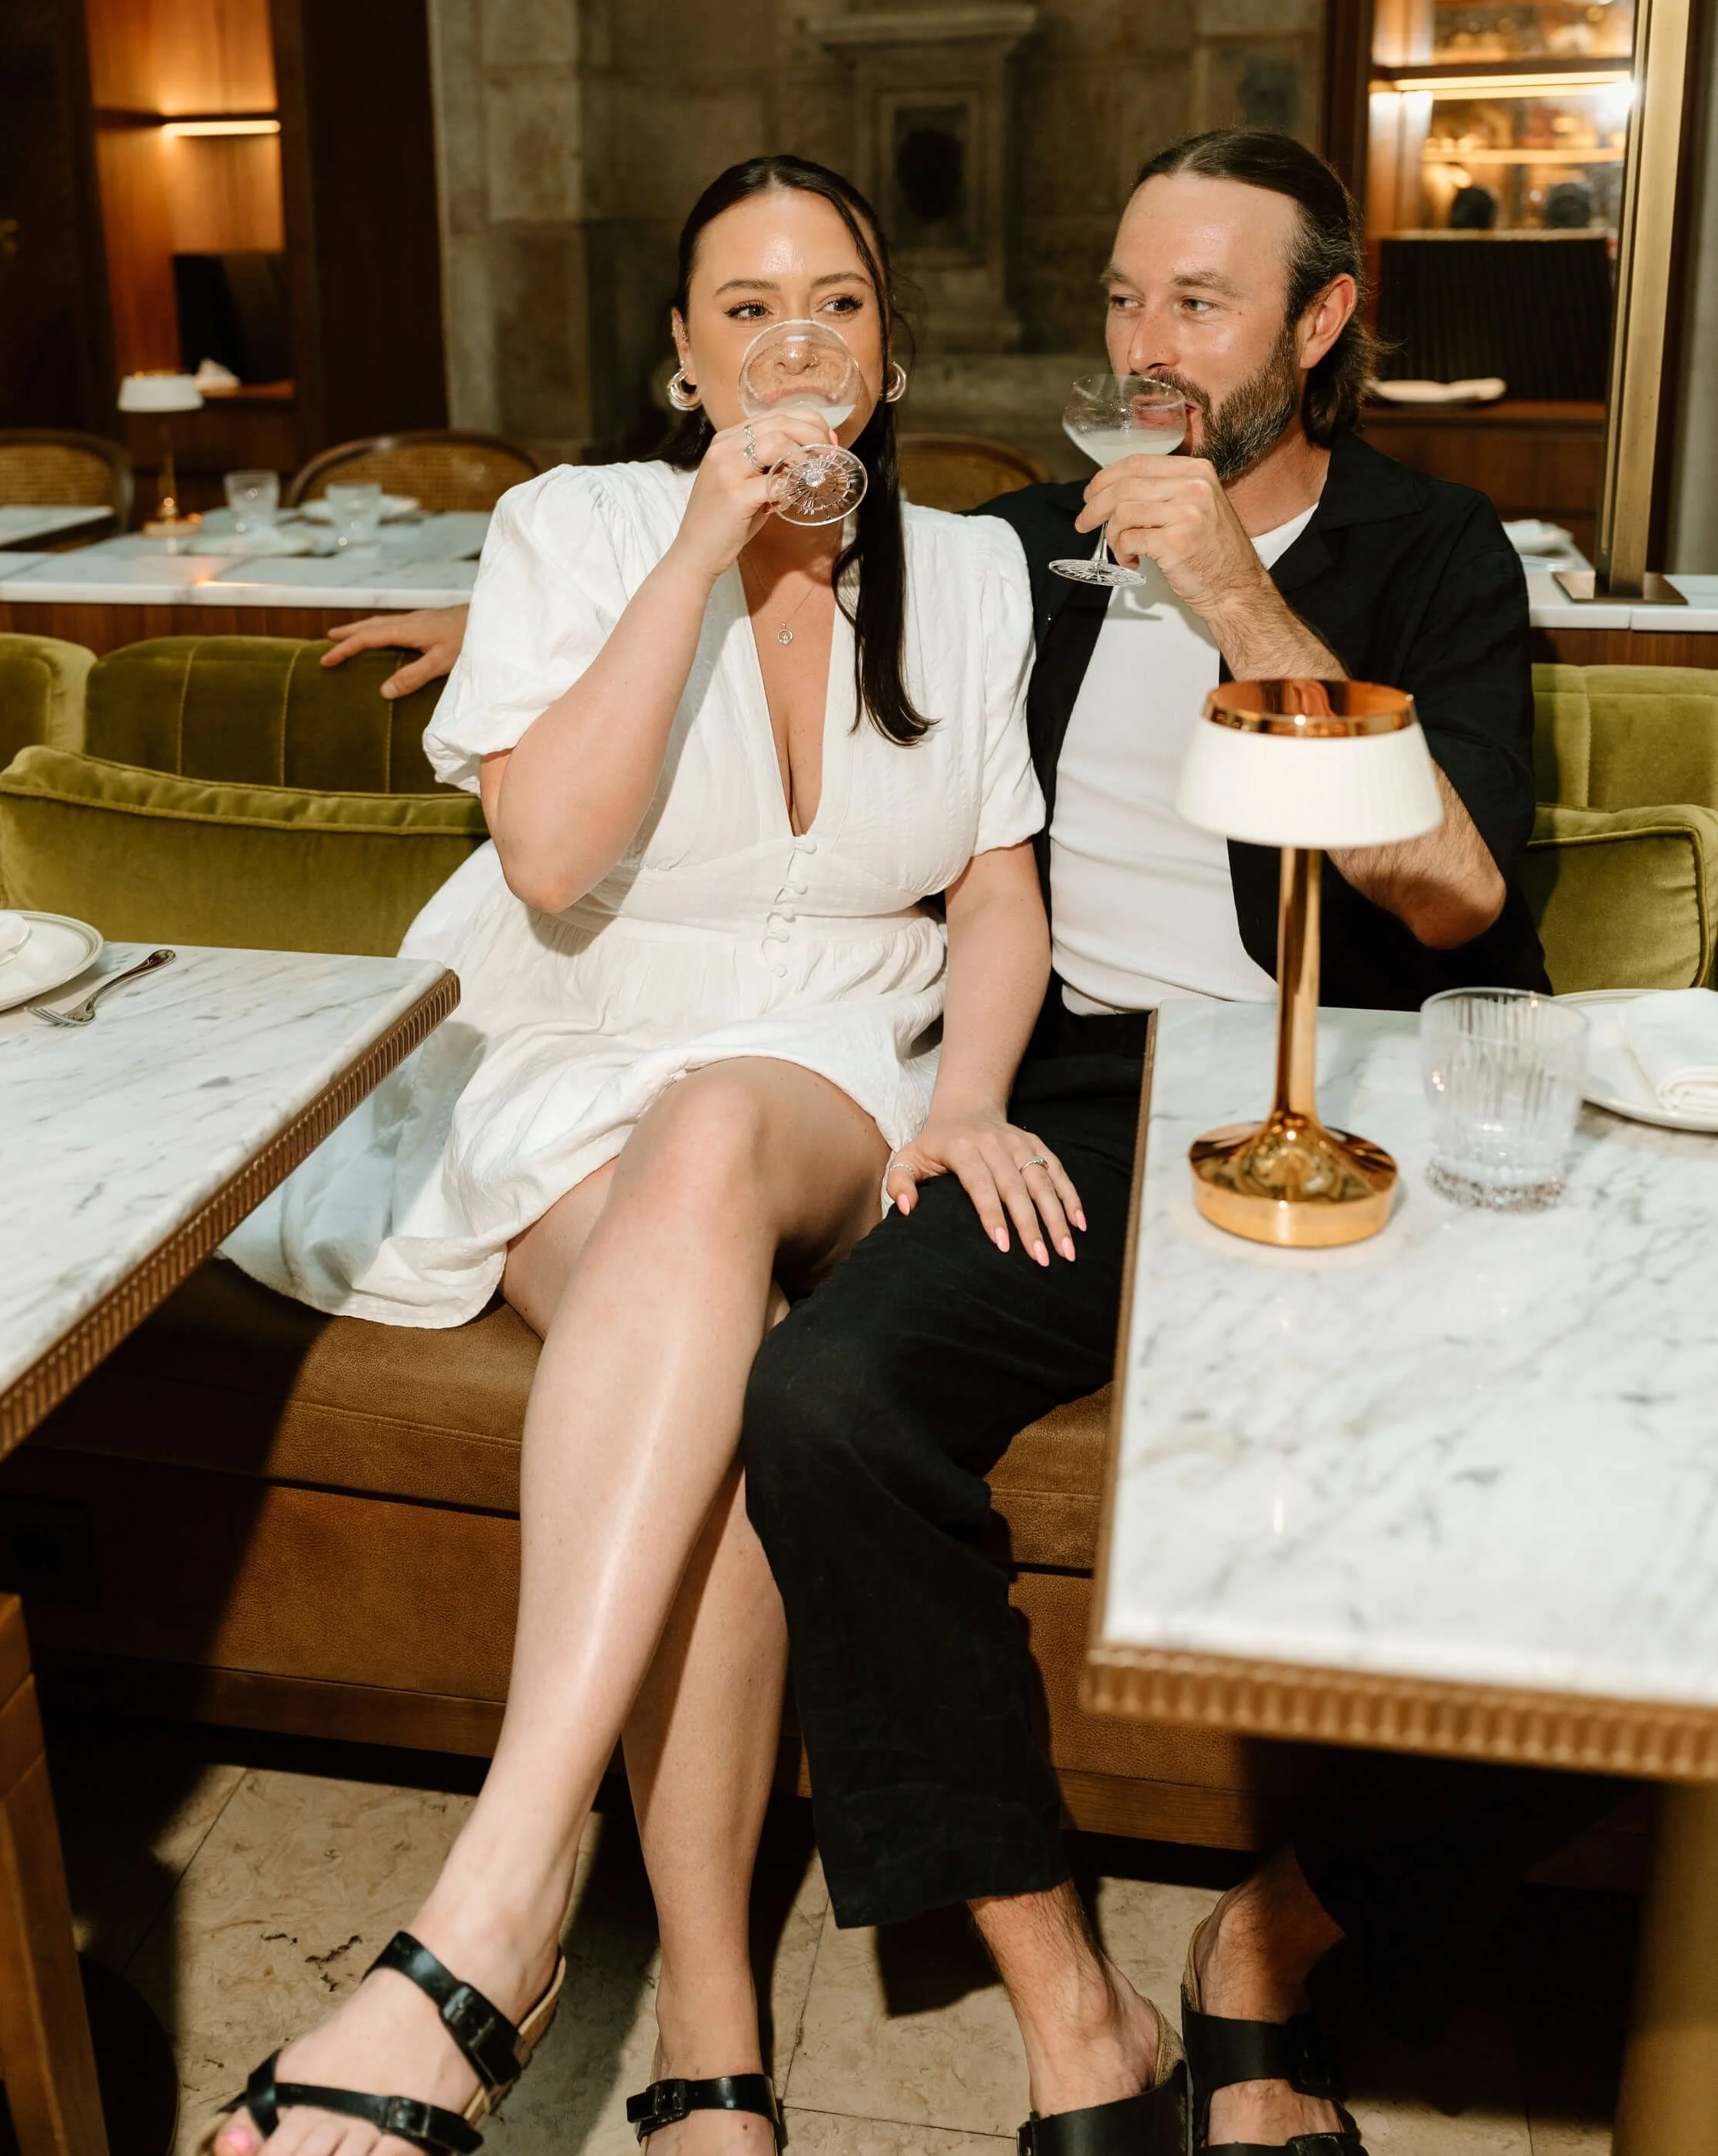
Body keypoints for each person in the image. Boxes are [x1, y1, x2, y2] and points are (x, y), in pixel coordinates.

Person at [209, 155, 1071, 2156]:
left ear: (891, 340)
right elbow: (549, 859)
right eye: (745, 306)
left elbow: (1000, 883)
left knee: (711, 1142)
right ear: (680, 356)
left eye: (835, 301)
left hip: (837, 1054)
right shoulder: (570, 527)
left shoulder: (973, 571)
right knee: (725, 1384)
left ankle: (485, 1916)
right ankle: (707, 2020)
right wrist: (691, 557)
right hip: (563, 1034)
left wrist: (970, 1096)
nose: (794, 342)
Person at [740, 129, 1590, 2156]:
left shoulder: (1428, 554)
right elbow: (770, 604)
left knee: (1592, 1497)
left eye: (1198, 303)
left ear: (1316, 320)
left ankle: (1272, 1942)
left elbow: (1455, 895)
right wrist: (533, 640)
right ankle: (1073, 2007)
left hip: (1339, 1088)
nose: (1147, 347)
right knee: (824, 1400)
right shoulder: (1013, 545)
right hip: (1073, 1097)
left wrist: (1229, 593)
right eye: (1124, 298)